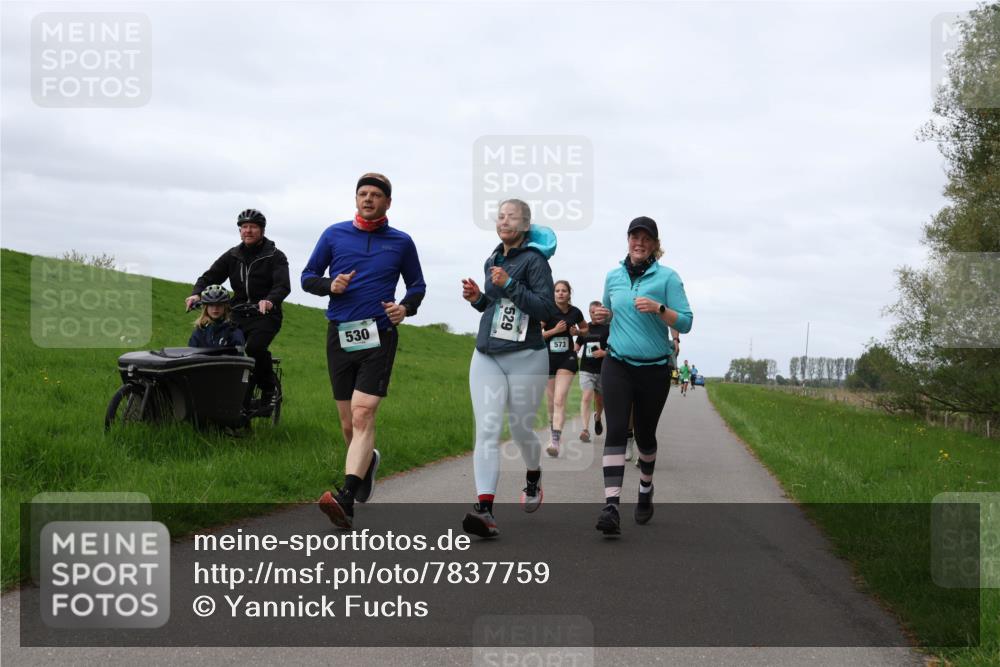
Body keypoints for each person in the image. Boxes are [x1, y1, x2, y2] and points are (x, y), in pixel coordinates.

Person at [302, 173, 427, 530]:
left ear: (388, 202)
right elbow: (308, 276)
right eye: (362, 194)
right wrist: (330, 285)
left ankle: (346, 496)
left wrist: (406, 308)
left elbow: (417, 285)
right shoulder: (334, 234)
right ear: (356, 199)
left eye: (375, 195)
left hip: (379, 334)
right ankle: (366, 463)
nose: (368, 199)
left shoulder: (401, 242)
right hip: (340, 334)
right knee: (347, 424)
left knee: (362, 415)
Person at [460, 198, 559, 538]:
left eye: (511, 217)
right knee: (486, 429)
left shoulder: (535, 262)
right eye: (500, 216)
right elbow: (495, 307)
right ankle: (484, 509)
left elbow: (546, 309)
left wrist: (509, 285)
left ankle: (533, 473)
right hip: (487, 354)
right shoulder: (493, 257)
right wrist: (478, 299)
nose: (503, 221)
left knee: (520, 430)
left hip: (526, 356)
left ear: (525, 225)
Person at [594, 216, 692, 535]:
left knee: (646, 436)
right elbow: (609, 314)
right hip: (618, 363)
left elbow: (686, 323)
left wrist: (660, 309)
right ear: (628, 241)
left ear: (655, 245)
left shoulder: (667, 278)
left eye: (646, 238)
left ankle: (646, 489)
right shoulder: (613, 277)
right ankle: (611, 506)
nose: (639, 242)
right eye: (634, 237)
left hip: (653, 370)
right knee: (617, 429)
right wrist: (602, 316)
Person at [187, 209, 290, 410]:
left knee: (254, 349)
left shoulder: (275, 256)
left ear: (261, 230)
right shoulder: (233, 255)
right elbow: (210, 276)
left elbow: (282, 285)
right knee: (223, 350)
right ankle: (225, 397)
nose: (248, 231)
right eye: (244, 227)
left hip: (265, 315)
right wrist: (196, 293)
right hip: (238, 313)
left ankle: (269, 390)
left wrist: (270, 301)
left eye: (252, 227)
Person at [541, 281, 587, 456]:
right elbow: (537, 334)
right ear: (554, 293)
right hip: (548, 359)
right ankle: (555, 434)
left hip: (567, 358)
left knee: (560, 399)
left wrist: (578, 333)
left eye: (564, 291)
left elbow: (586, 329)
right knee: (551, 402)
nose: (560, 293)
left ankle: (555, 441)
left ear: (569, 294)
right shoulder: (547, 310)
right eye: (557, 291)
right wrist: (554, 330)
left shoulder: (575, 312)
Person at [575, 301, 609, 444]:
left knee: (600, 401)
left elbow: (616, 349)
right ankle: (585, 430)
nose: (598, 314)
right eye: (594, 312)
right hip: (586, 369)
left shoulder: (609, 329)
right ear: (590, 313)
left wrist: (604, 353)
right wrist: (571, 355)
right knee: (587, 396)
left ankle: (597, 417)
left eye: (600, 311)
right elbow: (577, 346)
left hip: (603, 370)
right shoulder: (585, 328)